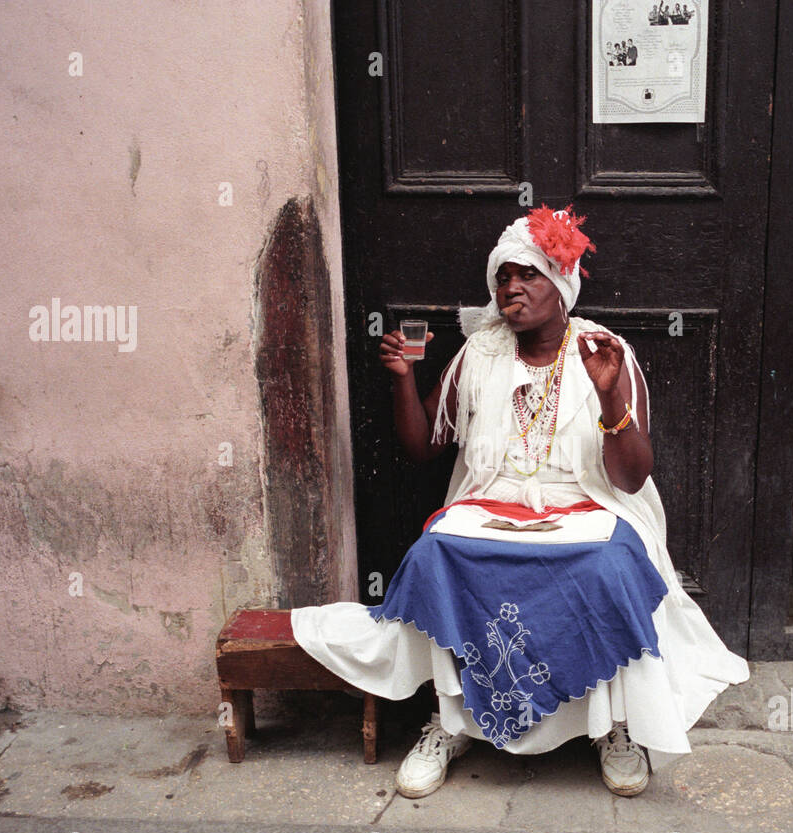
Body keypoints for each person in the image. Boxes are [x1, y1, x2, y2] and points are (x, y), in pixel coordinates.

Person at [290, 205, 749, 799]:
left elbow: (631, 478)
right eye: (504, 276)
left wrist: (611, 399)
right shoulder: (479, 353)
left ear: (560, 286)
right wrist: (404, 376)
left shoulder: (604, 352)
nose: (512, 287)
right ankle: (450, 723)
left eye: (528, 274)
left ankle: (611, 728)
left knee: (611, 564)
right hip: (493, 504)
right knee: (435, 556)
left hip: (585, 506)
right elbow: (424, 445)